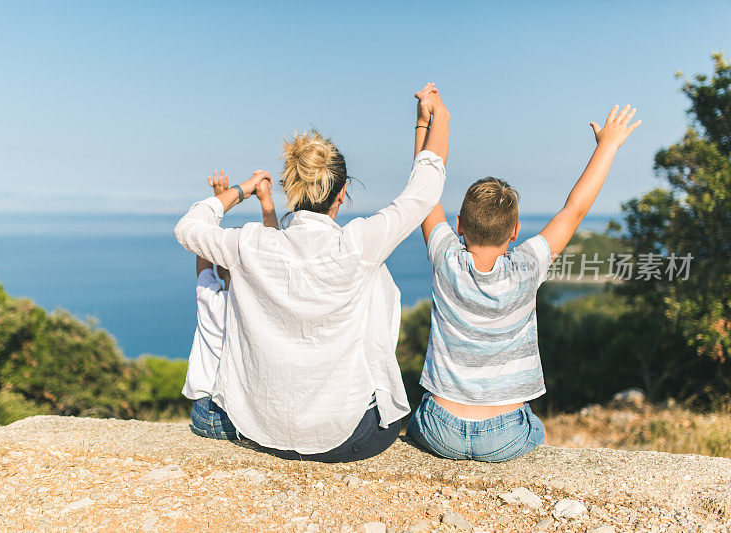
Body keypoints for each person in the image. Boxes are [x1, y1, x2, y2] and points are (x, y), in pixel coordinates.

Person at [173, 83, 449, 462]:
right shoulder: (356, 245)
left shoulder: (251, 244)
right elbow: (423, 192)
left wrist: (242, 189)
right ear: (343, 192)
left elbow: (188, 229)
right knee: (374, 273)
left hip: (260, 428)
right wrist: (437, 117)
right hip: (347, 436)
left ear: (292, 191)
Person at [408, 104, 641, 462]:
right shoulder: (527, 267)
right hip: (504, 433)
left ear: (459, 225)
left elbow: (424, 190)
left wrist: (429, 121)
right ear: (515, 232)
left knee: (416, 419)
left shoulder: (445, 260)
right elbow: (573, 210)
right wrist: (606, 146)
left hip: (443, 428)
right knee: (534, 427)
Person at [182, 171, 277, 439]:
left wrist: (218, 200)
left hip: (207, 414)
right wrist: (266, 200)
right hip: (247, 411)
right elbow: (274, 248)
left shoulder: (211, 299)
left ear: (221, 270)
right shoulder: (263, 306)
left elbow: (203, 247)